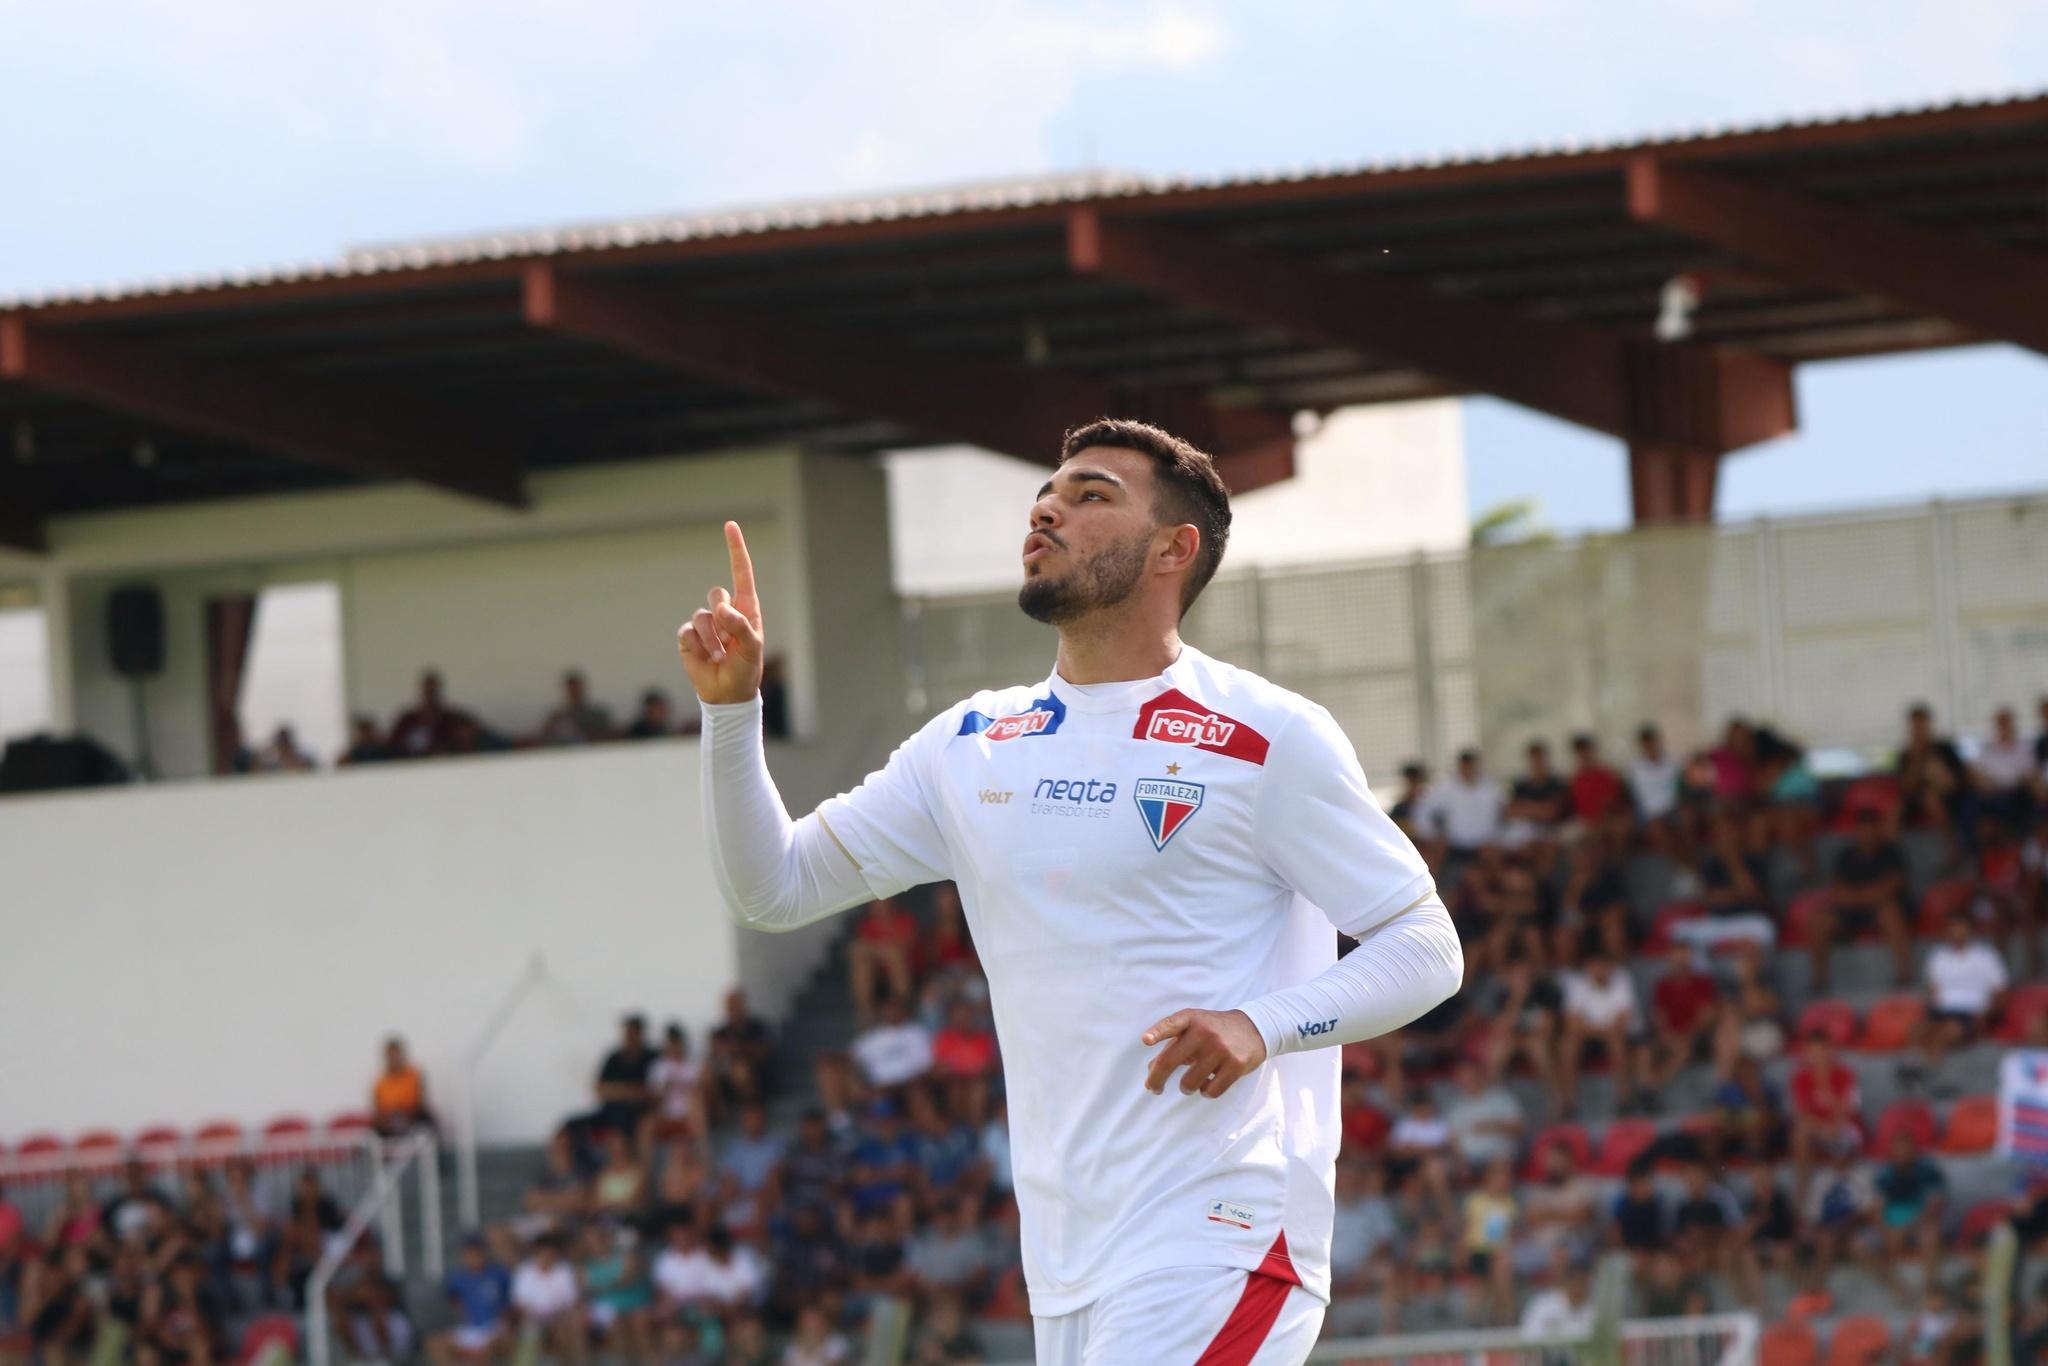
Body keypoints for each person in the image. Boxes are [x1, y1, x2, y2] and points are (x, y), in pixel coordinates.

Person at [682, 419, 1462, 1363]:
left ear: (1175, 549)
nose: (1049, 506)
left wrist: (1261, 1026)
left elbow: (1426, 945)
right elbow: (774, 887)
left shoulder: (1266, 736)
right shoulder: (972, 744)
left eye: (1092, 494)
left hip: (1224, 1229)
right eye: (1046, 493)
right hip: (1066, 1255)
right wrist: (731, 715)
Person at [1816, 808, 1914, 990]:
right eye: (1863, 828)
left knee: (1890, 913)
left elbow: (1890, 887)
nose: (1867, 833)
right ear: (1857, 831)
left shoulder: (1891, 852)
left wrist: (1857, 896)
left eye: (1872, 828)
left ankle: (1904, 972)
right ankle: (1820, 979)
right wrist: (1862, 897)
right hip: (1852, 911)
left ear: (1879, 829)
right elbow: (1837, 892)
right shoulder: (1845, 855)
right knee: (1819, 920)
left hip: (1880, 909)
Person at [1913, 914, 2009, 1078]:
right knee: (1917, 1031)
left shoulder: (1986, 956)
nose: (1956, 933)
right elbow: (1932, 991)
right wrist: (1929, 1012)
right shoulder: (1938, 957)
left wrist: (1988, 1015)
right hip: (1943, 1010)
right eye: (1952, 928)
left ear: (1971, 930)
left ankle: (1934, 1077)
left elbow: (2001, 993)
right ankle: (1931, 1072)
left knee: (1942, 1035)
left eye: (1960, 928)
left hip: (1972, 1011)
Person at [430, 1235, 511, 1364]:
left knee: (488, 1349)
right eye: (468, 1253)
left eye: (475, 1252)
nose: (472, 1256)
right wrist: (461, 1307)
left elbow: (510, 1301)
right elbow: (449, 1296)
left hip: (493, 1328)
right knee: (436, 1344)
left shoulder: (499, 1274)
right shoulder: (458, 1277)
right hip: (471, 1327)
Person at [1414, 748, 1505, 860]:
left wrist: (1496, 838)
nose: (1468, 769)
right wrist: (1432, 836)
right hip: (1452, 844)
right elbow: (1424, 812)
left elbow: (1502, 814)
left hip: (1486, 844)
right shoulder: (1444, 787)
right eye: (1465, 765)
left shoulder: (1492, 788)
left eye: (1471, 765)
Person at [850, 992, 934, 1092]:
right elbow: (851, 1057)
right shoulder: (871, 1038)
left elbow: (926, 1066)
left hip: (911, 1087)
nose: (891, 1012)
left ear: (903, 1010)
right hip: (880, 1089)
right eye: (888, 1008)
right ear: (881, 1011)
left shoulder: (917, 1032)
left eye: (895, 1007)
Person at [388, 670, 477, 759]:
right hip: (413, 768)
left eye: (433, 691)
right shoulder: (407, 720)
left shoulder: (452, 719)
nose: (430, 695)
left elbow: (471, 733)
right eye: (427, 691)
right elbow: (393, 745)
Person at [371, 1035, 435, 1138]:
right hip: (389, 1119)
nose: (394, 1058)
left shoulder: (415, 1074)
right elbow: (378, 1108)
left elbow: (420, 1100)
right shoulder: (380, 1082)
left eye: (396, 1054)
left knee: (427, 1118)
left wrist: (406, 1112)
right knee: (374, 1129)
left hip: (412, 1115)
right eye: (391, 1055)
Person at [538, 670, 615, 745]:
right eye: (571, 690)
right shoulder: (558, 717)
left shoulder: (596, 715)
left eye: (576, 689)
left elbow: (606, 736)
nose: (574, 692)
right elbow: (545, 738)